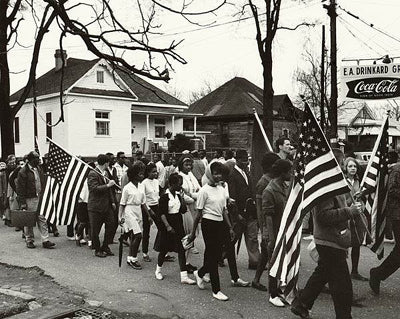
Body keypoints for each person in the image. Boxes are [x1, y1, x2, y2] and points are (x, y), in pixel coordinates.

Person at [291, 149, 363, 319]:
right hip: (329, 240)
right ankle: (344, 316)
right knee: (342, 285)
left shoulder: (334, 184)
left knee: (323, 273)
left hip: (332, 238)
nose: (344, 166)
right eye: (342, 162)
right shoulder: (326, 187)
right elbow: (324, 216)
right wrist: (349, 211)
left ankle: (302, 303)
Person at [189, 162, 240, 301]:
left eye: (220, 173)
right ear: (209, 173)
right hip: (208, 223)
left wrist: (229, 227)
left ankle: (200, 273)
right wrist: (193, 233)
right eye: (216, 173)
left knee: (218, 255)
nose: (218, 176)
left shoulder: (222, 188)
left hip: (220, 223)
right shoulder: (204, 191)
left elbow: (224, 211)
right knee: (212, 254)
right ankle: (216, 290)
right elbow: (198, 214)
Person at [155, 173, 196, 285]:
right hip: (168, 224)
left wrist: (182, 198)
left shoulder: (178, 195)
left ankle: (184, 276)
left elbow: (182, 210)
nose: (180, 186)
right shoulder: (164, 196)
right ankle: (158, 270)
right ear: (172, 184)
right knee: (164, 249)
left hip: (178, 223)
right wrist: (168, 226)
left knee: (182, 249)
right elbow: (162, 213)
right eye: (179, 184)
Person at [369, 150, 400, 295]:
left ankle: (378, 274)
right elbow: (392, 190)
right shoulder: (397, 169)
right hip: (398, 215)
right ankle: (377, 274)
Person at [263, 159, 292, 307]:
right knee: (273, 262)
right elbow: (268, 215)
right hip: (274, 231)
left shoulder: (283, 186)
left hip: (283, 230)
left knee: (282, 262)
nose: (291, 174)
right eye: (289, 171)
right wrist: (272, 238)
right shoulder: (270, 190)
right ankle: (272, 294)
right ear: (283, 173)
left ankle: (279, 290)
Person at [119, 162, 155, 269]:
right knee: (138, 235)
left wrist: (149, 216)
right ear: (134, 175)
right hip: (129, 211)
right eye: (140, 174)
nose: (142, 176)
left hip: (138, 211)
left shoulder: (141, 186)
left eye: (142, 173)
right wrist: (120, 217)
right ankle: (134, 258)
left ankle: (130, 258)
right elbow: (122, 204)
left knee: (134, 236)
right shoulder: (127, 188)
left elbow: (143, 202)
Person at [252, 152, 280, 291]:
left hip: (274, 220)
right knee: (269, 253)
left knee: (264, 253)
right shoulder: (263, 182)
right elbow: (259, 208)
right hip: (267, 223)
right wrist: (263, 228)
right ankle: (273, 287)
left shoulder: (275, 179)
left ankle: (256, 279)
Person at [16, 151, 55, 249]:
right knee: (29, 220)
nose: (38, 160)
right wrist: (23, 203)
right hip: (29, 198)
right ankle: (29, 240)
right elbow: (20, 188)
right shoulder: (23, 172)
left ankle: (45, 240)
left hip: (39, 197)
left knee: (42, 218)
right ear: (30, 160)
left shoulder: (38, 168)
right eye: (36, 158)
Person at [227, 149, 260, 269]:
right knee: (234, 236)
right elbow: (232, 197)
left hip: (250, 210)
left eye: (247, 160)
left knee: (252, 237)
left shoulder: (247, 172)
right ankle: (221, 255)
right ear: (237, 160)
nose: (246, 162)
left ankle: (255, 261)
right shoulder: (232, 175)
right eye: (244, 160)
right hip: (239, 212)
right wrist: (237, 214)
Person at [343, 157, 368, 281]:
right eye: (350, 166)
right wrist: (350, 200)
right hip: (345, 216)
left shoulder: (359, 182)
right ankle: (340, 272)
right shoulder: (342, 182)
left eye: (355, 166)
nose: (353, 168)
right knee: (343, 245)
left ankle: (355, 271)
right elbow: (340, 201)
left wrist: (361, 198)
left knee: (356, 244)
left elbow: (362, 200)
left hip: (357, 217)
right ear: (345, 168)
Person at [87, 154, 117, 258]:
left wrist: (112, 202)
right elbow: (94, 189)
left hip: (107, 205)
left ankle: (105, 246)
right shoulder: (93, 173)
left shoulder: (106, 173)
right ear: (106, 163)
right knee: (95, 230)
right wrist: (108, 185)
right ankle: (97, 249)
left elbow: (109, 191)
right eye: (108, 162)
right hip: (95, 206)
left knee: (111, 225)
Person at [178, 155, 201, 270]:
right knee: (188, 233)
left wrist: (194, 195)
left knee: (194, 232)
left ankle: (187, 261)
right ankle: (184, 263)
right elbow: (183, 194)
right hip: (186, 208)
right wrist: (194, 196)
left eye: (190, 164)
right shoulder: (179, 176)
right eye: (186, 165)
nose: (188, 167)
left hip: (194, 206)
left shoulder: (191, 175)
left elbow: (198, 188)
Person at [141, 162, 160, 262]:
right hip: (147, 209)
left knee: (162, 228)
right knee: (146, 231)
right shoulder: (144, 183)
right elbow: (143, 199)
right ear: (148, 172)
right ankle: (145, 253)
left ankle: (161, 250)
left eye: (156, 172)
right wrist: (149, 212)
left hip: (157, 206)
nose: (155, 173)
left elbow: (157, 196)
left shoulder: (156, 182)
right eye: (153, 172)